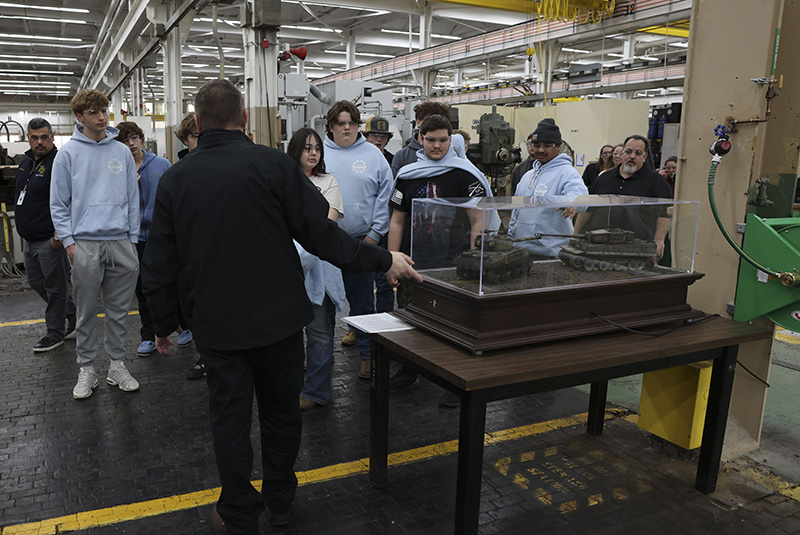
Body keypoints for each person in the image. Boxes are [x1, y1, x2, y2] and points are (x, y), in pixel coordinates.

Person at [140, 79, 420, 534]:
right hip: (280, 323)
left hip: (218, 326)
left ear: (196, 122)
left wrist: (163, 323)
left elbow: (159, 260)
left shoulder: (176, 178)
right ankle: (281, 502)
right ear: (245, 118)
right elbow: (324, 235)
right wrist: (384, 258)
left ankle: (235, 512)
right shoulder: (272, 165)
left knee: (229, 420)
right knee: (280, 414)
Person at [387, 114, 492, 395]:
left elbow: (477, 222)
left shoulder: (464, 175)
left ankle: (456, 383)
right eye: (431, 139)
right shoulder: (407, 176)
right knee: (408, 316)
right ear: (420, 139)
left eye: (443, 140)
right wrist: (390, 261)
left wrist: (474, 260)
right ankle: (408, 370)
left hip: (453, 263)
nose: (437, 146)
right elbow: (397, 220)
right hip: (413, 262)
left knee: (456, 323)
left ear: (451, 139)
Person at [50, 89, 141, 400]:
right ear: (79, 117)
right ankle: (87, 369)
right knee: (87, 311)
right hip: (85, 243)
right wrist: (69, 242)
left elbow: (132, 199)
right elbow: (58, 203)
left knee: (119, 311)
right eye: (93, 112)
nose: (102, 117)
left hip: (120, 242)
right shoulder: (68, 153)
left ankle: (116, 365)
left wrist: (132, 239)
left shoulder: (120, 152)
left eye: (104, 110)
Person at [322, 100, 393, 380]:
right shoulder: (318, 153)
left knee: (363, 305)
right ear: (331, 126)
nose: (347, 128)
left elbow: (384, 197)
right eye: (341, 123)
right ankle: (320, 358)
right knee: (322, 305)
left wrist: (374, 235)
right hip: (323, 244)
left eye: (352, 122)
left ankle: (367, 356)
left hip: (360, 242)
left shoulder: (373, 156)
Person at [114, 121, 188, 358]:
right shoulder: (117, 169)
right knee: (143, 289)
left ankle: (183, 325)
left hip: (163, 236)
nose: (131, 143)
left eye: (134, 137)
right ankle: (148, 334)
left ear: (141, 138)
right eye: (125, 140)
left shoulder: (161, 164)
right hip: (135, 239)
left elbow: (174, 198)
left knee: (174, 282)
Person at [287, 127, 346, 410]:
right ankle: (292, 388)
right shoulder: (284, 180)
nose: (312, 153)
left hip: (321, 267)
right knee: (288, 336)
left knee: (320, 334)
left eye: (317, 149)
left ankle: (316, 392)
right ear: (296, 150)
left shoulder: (328, 182)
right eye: (307, 148)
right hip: (287, 268)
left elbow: (328, 222)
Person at [14, 117, 77, 352]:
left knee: (55, 287)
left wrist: (58, 238)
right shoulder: (26, 162)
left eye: (44, 137)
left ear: (52, 137)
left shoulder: (58, 163)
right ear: (28, 138)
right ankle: (72, 313)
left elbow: (69, 202)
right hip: (29, 241)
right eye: (34, 137)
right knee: (37, 283)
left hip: (50, 241)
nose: (39, 142)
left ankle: (55, 333)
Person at [575, 134, 673, 259]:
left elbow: (664, 214)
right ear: (622, 154)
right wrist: (576, 234)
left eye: (638, 153)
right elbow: (587, 209)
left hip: (638, 248)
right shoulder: (604, 178)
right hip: (600, 245)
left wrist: (659, 241)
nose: (632, 156)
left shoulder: (656, 181)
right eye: (628, 151)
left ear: (645, 157)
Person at [508, 118, 589, 259]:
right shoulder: (528, 175)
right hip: (521, 250)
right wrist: (511, 236)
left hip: (551, 254)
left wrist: (572, 203)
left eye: (547, 145)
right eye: (537, 145)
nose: (540, 150)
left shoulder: (566, 172)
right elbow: (516, 210)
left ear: (558, 146)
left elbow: (581, 197)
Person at [363, 115, 396, 321]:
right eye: (374, 135)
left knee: (385, 280)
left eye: (383, 136)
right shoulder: (359, 159)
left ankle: (385, 323)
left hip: (387, 228)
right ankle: (358, 328)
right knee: (362, 283)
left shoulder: (393, 160)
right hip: (363, 230)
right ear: (366, 136)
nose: (378, 139)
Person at [391, 101, 450, 178]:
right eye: (429, 120)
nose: (435, 125)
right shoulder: (403, 156)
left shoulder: (453, 155)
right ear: (418, 122)